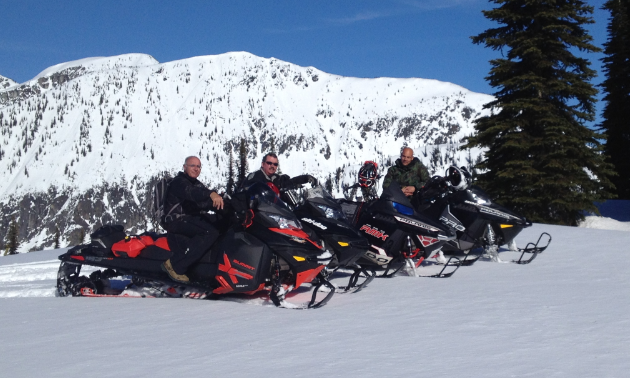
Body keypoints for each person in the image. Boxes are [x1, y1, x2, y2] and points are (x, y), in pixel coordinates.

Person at [161, 156, 224, 283]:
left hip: (191, 219)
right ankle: (175, 266)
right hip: (176, 220)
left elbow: (203, 202)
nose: (196, 169)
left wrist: (224, 205)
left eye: (198, 166)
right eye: (192, 166)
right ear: (184, 167)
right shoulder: (179, 182)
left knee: (220, 223)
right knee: (209, 232)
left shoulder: (196, 184)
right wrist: (210, 194)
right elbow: (192, 193)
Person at [240, 152, 316, 191]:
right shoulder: (255, 176)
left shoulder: (275, 178)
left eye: (275, 164)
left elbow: (290, 182)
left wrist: (306, 178)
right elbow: (246, 190)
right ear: (263, 164)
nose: (272, 166)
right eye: (269, 163)